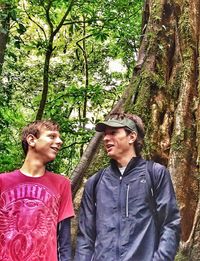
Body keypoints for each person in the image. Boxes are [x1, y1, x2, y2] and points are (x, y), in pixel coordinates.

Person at [75, 112, 181, 261]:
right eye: (105, 134)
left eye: (113, 133)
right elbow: (85, 237)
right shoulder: (95, 182)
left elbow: (170, 224)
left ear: (132, 137)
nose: (106, 138)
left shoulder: (155, 174)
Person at [0, 120, 74, 261]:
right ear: (31, 140)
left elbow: (64, 240)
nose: (60, 141)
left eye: (59, 137)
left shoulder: (62, 184)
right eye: (52, 136)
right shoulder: (2, 182)